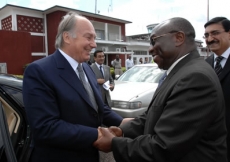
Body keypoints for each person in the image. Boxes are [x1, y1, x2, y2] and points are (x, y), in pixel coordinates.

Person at [93, 17, 227, 162]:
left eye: (154, 41)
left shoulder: (195, 77)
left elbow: (164, 146)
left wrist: (114, 144)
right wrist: (122, 131)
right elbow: (156, 113)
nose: (150, 49)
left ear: (179, 38)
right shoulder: (180, 71)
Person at [22, 11, 127, 162]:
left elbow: (97, 108)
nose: (94, 44)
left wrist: (122, 122)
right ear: (67, 37)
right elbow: (46, 127)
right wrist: (97, 135)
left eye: (94, 38)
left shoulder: (86, 68)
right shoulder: (39, 71)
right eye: (88, 37)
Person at [204, 17, 230, 161]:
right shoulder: (205, 65)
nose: (210, 39)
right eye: (206, 35)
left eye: (215, 33)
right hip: (212, 142)